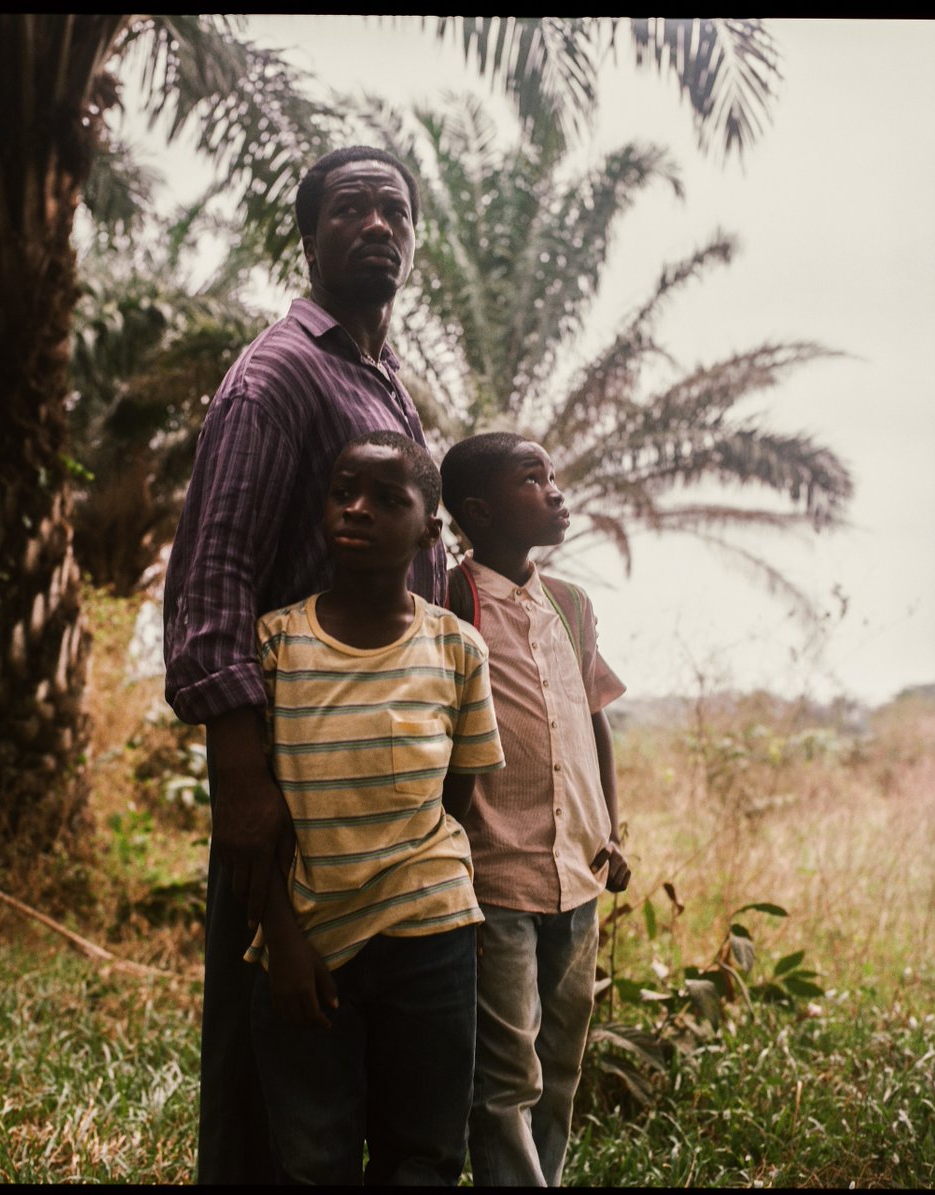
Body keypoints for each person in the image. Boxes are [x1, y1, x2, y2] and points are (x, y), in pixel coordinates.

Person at [162, 146, 447, 1185]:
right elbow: (213, 584)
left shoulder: (377, 380)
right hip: (294, 779)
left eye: (396, 210)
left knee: (357, 1069)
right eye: (351, 208)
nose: (378, 224)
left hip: (384, 789)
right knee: (271, 1084)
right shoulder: (276, 376)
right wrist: (242, 782)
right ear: (310, 234)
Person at [246, 429, 505, 1184]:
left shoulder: (456, 649)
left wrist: (435, 889)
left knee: (424, 1152)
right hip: (307, 946)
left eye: (387, 499)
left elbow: (457, 793)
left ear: (429, 528)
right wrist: (281, 936)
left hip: (431, 938)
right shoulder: (277, 645)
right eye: (343, 491)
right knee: (310, 1155)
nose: (356, 509)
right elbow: (248, 813)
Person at [438, 431, 630, 1187]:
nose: (554, 489)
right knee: (507, 1074)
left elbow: (596, 718)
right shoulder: (453, 600)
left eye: (552, 476)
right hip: (495, 875)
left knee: (560, 1065)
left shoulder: (572, 606)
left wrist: (610, 828)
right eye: (532, 478)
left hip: (578, 875)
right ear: (478, 513)